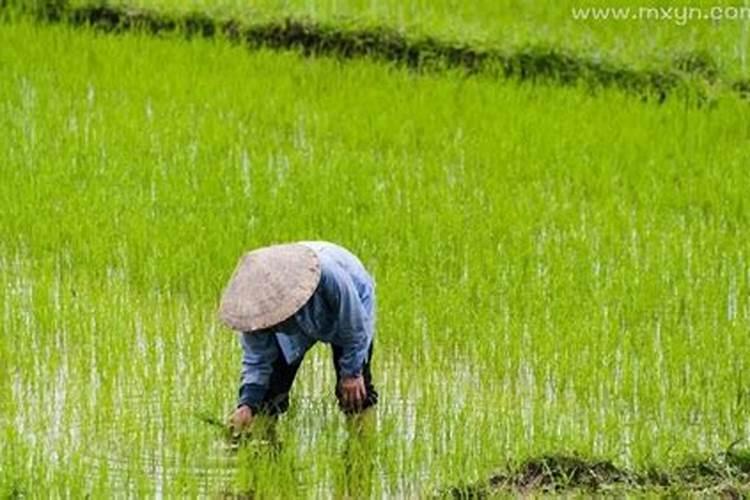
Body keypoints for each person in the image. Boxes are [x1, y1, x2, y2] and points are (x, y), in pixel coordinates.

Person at [219, 241, 378, 432]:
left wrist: (352, 374)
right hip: (302, 318)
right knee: (267, 397)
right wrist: (247, 404)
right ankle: (265, 450)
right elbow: (257, 361)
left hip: (347, 312)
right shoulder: (254, 310)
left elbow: (354, 328)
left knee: (355, 394)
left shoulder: (329, 277)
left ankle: (362, 452)